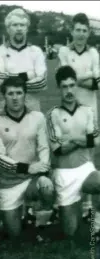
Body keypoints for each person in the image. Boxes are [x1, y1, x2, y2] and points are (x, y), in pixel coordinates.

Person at [0, 76, 55, 241]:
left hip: (31, 178)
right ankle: (18, 214)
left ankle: (40, 226)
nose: (15, 97)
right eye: (10, 93)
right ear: (4, 97)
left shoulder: (37, 117)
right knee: (14, 235)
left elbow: (44, 147)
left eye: (19, 93)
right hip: (8, 182)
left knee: (46, 186)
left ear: (25, 95)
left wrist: (43, 170)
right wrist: (26, 167)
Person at [47, 66, 100, 238]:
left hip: (86, 169)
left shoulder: (87, 111)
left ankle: (98, 226)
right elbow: (58, 149)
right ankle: (63, 210)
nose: (69, 90)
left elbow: (96, 141)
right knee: (70, 232)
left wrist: (72, 138)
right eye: (65, 87)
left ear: (76, 86)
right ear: (59, 88)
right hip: (64, 175)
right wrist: (83, 139)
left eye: (72, 85)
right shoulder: (52, 115)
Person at [57, 13, 100, 222]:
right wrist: (86, 78)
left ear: (88, 33)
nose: (81, 34)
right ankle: (66, 196)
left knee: (89, 155)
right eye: (78, 30)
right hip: (67, 108)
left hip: (89, 110)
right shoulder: (64, 50)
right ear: (71, 31)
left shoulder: (93, 53)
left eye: (84, 30)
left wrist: (76, 78)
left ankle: (88, 204)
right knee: (66, 151)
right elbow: (65, 76)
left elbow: (97, 82)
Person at [0, 8, 47, 115]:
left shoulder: (36, 51)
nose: (19, 28)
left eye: (22, 25)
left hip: (31, 109)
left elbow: (42, 83)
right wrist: (30, 74)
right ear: (8, 29)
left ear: (27, 28)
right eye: (15, 25)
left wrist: (10, 80)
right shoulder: (0, 50)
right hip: (4, 110)